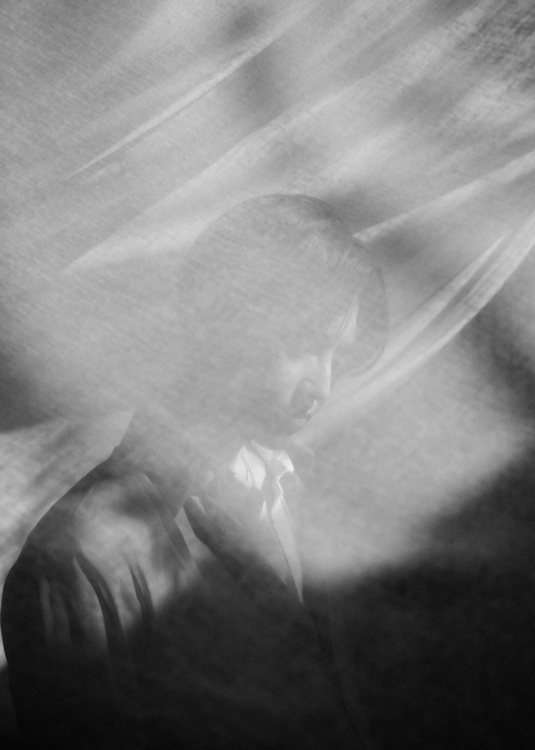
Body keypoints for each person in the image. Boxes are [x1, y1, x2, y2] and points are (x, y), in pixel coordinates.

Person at [1, 194, 387, 749]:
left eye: (338, 358)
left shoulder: (292, 487)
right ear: (223, 319)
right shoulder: (85, 556)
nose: (322, 386)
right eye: (302, 344)